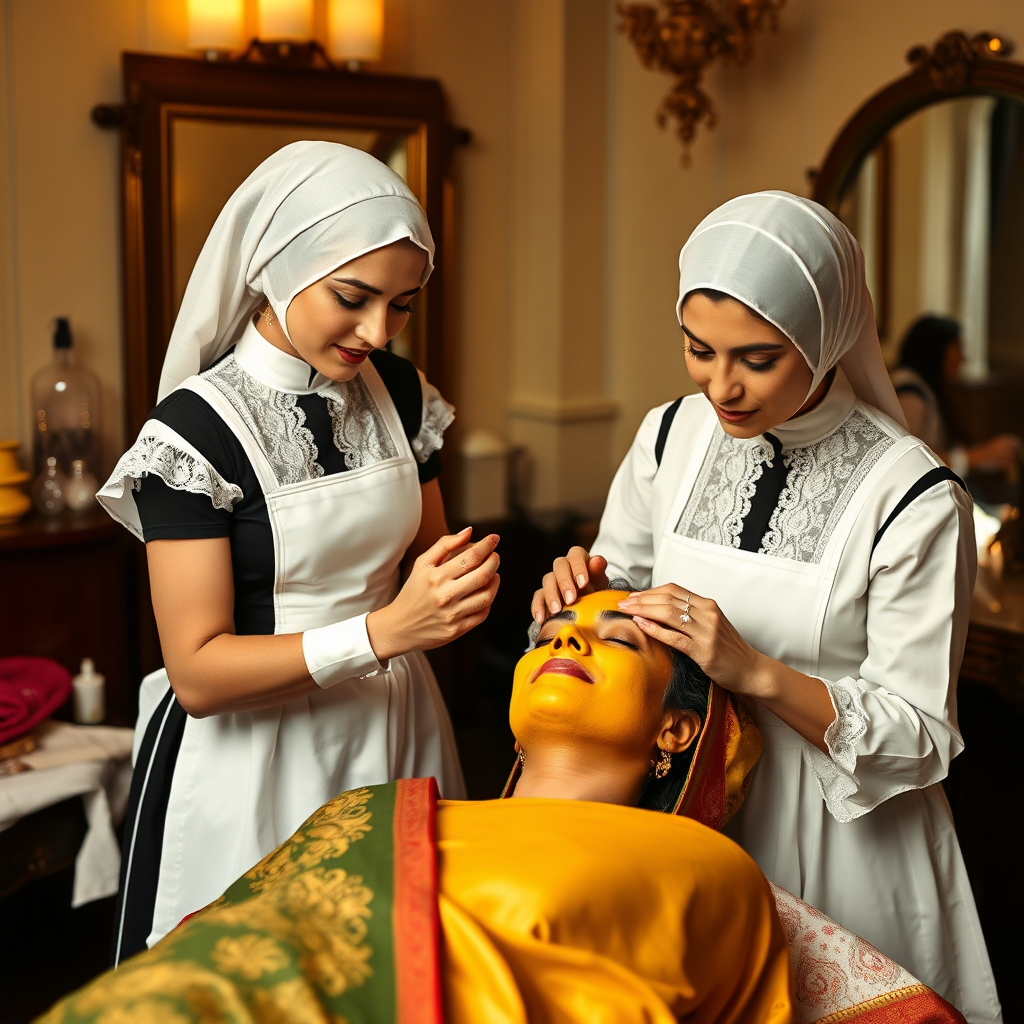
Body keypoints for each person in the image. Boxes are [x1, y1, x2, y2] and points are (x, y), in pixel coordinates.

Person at [39, 591, 969, 1024]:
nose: (566, 632)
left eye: (614, 639)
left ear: (676, 735)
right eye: (556, 630)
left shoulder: (703, 869)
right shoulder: (374, 815)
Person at [531, 193, 1000, 1021]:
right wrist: (577, 598)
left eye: (757, 358)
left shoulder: (914, 496)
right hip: (687, 811)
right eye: (698, 350)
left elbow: (922, 733)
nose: (723, 385)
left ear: (824, 340)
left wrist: (754, 671)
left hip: (843, 838)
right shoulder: (670, 436)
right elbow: (621, 589)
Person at [96, 142, 499, 963]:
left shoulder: (402, 394)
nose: (378, 331)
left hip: (397, 726)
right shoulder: (195, 433)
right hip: (255, 757)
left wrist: (483, 595)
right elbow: (199, 674)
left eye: (403, 305)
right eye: (352, 297)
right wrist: (385, 633)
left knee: (404, 976)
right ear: (279, 267)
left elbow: (431, 564)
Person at [891, 314, 1021, 480]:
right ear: (936, 351)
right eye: (958, 347)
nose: (963, 357)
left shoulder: (925, 387)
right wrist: (976, 457)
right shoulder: (911, 397)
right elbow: (909, 462)